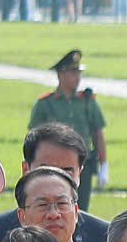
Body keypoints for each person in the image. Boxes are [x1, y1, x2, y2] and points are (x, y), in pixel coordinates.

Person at [0, 122, 110, 242]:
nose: (55, 180)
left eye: (66, 172)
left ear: (80, 173)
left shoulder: (104, 240)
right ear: (26, 169)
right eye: (45, 170)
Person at [28, 50, 109, 189]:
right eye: (72, 73)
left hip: (82, 165)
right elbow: (33, 139)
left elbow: (98, 134)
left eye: (79, 73)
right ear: (60, 74)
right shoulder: (45, 104)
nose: (77, 77)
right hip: (52, 165)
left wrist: (104, 165)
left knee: (81, 208)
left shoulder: (87, 101)